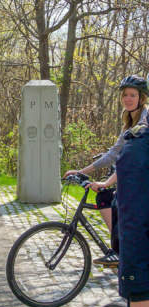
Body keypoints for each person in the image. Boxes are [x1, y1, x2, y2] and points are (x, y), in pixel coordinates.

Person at [63, 75, 149, 267]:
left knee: (116, 200)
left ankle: (123, 251)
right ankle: (118, 249)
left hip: (143, 183)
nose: (128, 98)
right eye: (125, 95)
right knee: (104, 197)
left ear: (141, 98)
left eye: (132, 95)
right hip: (134, 178)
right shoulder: (129, 120)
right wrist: (80, 171)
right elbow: (113, 154)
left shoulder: (144, 122)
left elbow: (130, 161)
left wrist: (107, 182)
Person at [112, 82, 149, 307]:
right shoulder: (140, 140)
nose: (128, 99)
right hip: (146, 281)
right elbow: (134, 221)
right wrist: (138, 290)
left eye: (133, 95)